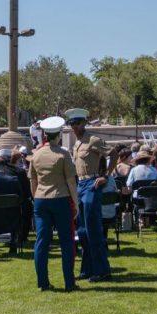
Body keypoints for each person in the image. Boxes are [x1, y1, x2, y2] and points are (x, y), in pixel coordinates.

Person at [65, 108, 119, 284]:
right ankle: (87, 268)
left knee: (93, 229)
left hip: (91, 184)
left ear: (83, 123)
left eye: (76, 124)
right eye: (71, 124)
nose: (73, 127)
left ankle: (102, 270)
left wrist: (105, 176)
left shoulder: (94, 140)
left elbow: (114, 154)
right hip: (80, 184)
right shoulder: (77, 143)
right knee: (82, 230)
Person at [29, 115, 79, 292]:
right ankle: (69, 282)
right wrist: (76, 202)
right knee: (66, 242)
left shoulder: (36, 154)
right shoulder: (63, 154)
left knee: (41, 241)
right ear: (58, 134)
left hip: (41, 199)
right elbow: (71, 181)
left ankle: (42, 282)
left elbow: (32, 181)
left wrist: (36, 197)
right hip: (60, 198)